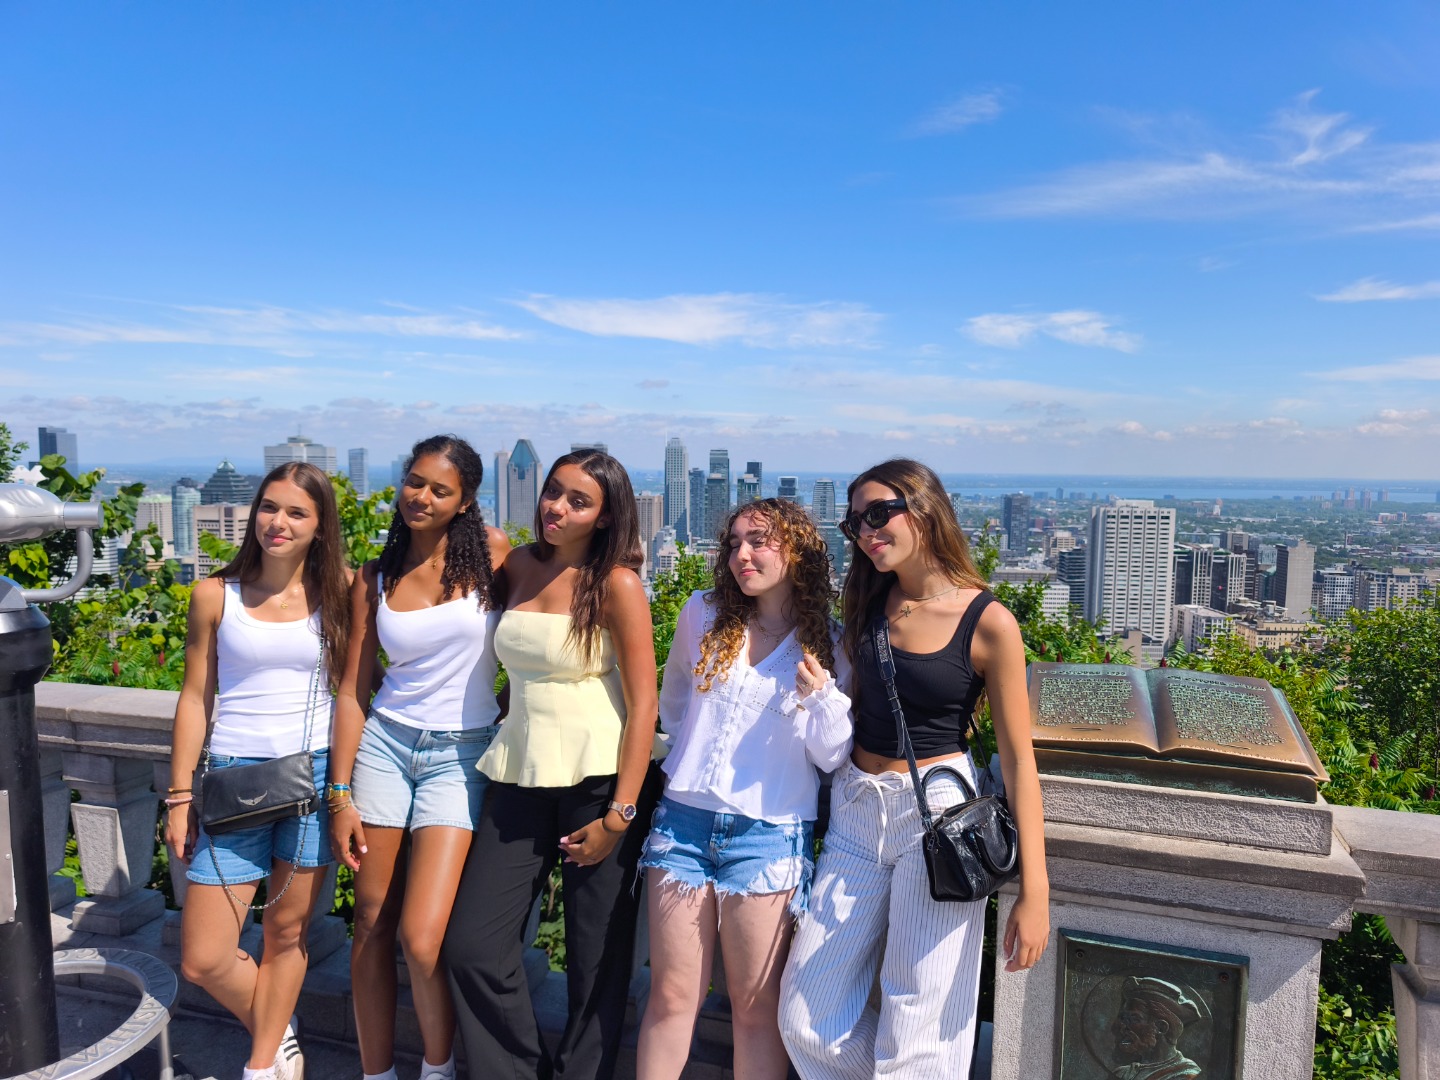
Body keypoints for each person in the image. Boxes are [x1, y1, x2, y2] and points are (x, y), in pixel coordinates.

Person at [778, 458, 1050, 1079]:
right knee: (805, 1018)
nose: (867, 531)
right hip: (855, 811)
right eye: (855, 523)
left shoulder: (989, 622)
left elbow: (1018, 760)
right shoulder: (872, 601)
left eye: (879, 513)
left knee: (920, 1027)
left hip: (938, 817)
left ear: (924, 508)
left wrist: (1035, 890)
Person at [444, 448, 661, 1080]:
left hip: (600, 783)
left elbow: (643, 703)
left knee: (596, 960)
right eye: (553, 492)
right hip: (519, 772)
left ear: (604, 515)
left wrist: (620, 813)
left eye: (578, 500)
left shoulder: (616, 582)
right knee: (473, 946)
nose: (556, 507)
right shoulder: (516, 565)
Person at [636, 499, 853, 1080]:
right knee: (672, 997)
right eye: (733, 543)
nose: (742, 555)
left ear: (799, 551)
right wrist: (699, 758)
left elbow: (832, 756)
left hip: (771, 835)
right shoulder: (701, 615)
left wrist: (820, 696)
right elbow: (676, 702)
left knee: (756, 1011)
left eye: (759, 541)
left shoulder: (827, 643)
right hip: (682, 823)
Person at [328, 434, 510, 1080]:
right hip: (384, 745)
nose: (421, 497)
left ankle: (437, 1069)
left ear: (464, 503)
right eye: (414, 482)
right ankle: (376, 1073)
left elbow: (535, 632)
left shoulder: (496, 557)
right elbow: (353, 690)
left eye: (440, 489)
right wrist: (339, 792)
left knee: (422, 935)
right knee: (371, 924)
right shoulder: (375, 578)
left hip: (461, 756)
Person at [166, 461, 351, 1080]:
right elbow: (196, 697)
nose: (278, 522)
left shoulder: (344, 595)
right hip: (231, 781)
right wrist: (178, 793)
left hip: (312, 780)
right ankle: (278, 1029)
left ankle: (263, 1063)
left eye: (297, 512)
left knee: (286, 933)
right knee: (204, 957)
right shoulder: (215, 594)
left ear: (321, 526)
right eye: (269, 507)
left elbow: (357, 691)